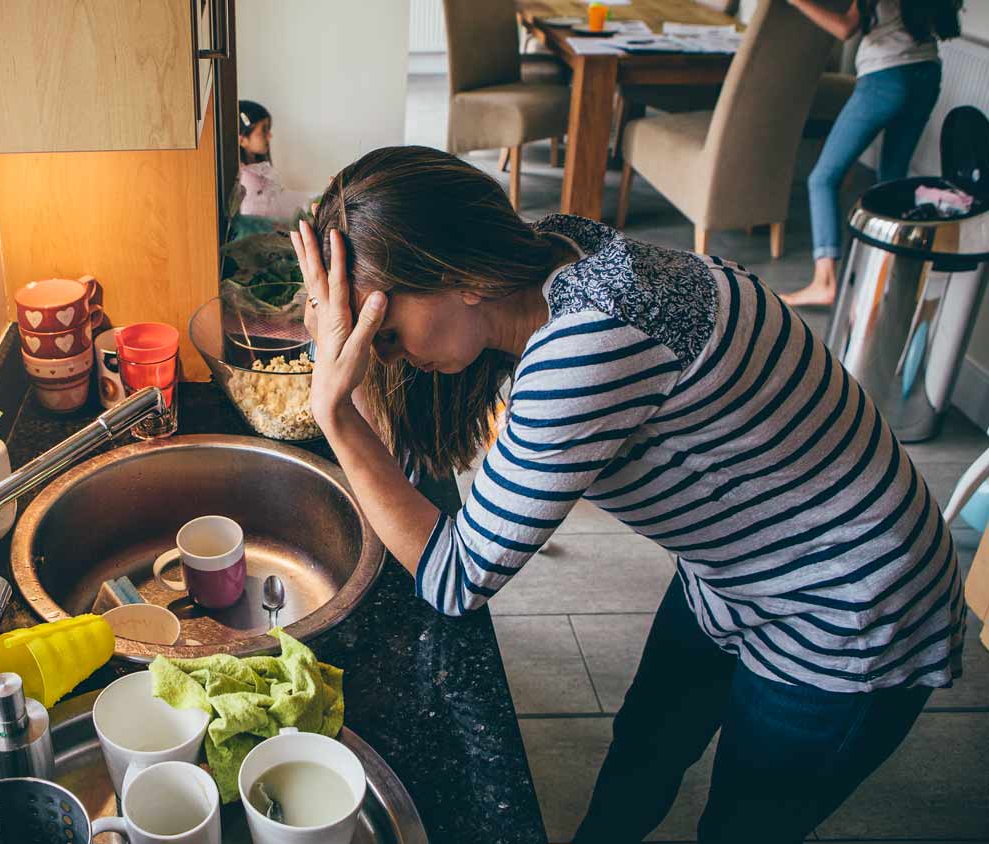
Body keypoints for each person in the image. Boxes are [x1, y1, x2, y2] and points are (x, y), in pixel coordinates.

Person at [291, 146, 964, 842]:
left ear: (463, 276)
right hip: (734, 572)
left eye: (385, 333)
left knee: (744, 823)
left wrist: (335, 411)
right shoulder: (560, 251)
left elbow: (453, 576)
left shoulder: (586, 346)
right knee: (646, 744)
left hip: (848, 607)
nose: (384, 356)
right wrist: (333, 349)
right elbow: (400, 465)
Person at [782, 0, 963, 307]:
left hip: (886, 77)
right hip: (927, 71)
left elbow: (845, 27)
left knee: (823, 178)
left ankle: (824, 281)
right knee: (892, 179)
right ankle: (891, 278)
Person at [237, 100, 310, 221]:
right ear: (243, 140)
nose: (270, 136)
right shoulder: (247, 179)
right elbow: (255, 217)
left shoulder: (259, 169)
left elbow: (278, 199)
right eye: (264, 130)